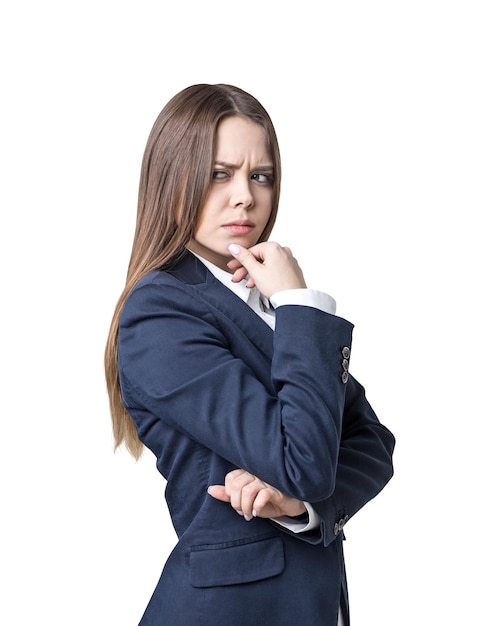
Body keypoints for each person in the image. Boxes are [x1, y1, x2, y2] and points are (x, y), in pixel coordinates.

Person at [104, 83, 395, 626]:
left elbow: (372, 442)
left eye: (260, 175)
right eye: (220, 173)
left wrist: (300, 508)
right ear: (173, 181)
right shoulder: (160, 313)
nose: (246, 196)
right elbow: (304, 462)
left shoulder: (254, 299)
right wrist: (300, 304)